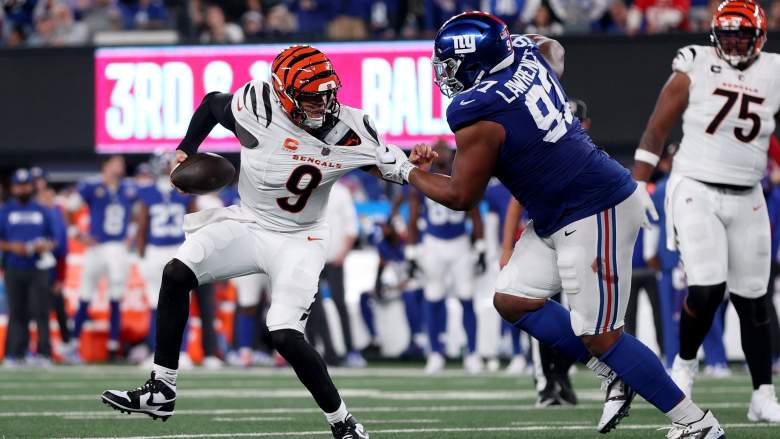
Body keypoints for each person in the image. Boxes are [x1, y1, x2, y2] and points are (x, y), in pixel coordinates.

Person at [374, 11, 723, 437]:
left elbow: (461, 197)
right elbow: (553, 49)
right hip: (560, 211)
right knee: (513, 299)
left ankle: (696, 423)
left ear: (476, 62)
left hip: (594, 207)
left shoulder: (476, 109)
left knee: (603, 336)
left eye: (450, 65)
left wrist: (403, 170)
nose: (444, 75)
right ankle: (613, 371)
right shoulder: (525, 52)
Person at [100, 44, 399, 439]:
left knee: (284, 334)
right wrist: (185, 149)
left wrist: (415, 166)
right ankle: (161, 388)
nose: (323, 104)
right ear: (284, 94)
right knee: (176, 274)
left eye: (326, 94)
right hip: (251, 222)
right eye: (311, 96)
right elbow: (211, 104)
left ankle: (342, 422)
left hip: (300, 237)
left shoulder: (350, 127)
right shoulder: (256, 107)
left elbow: (393, 167)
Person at [633, 0, 780, 423]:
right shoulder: (695, 62)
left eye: (742, 36)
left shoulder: (773, 71)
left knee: (754, 299)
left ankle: (762, 395)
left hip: (749, 192)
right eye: (727, 36)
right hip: (695, 186)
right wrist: (639, 184)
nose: (733, 44)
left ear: (759, 37)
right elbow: (657, 127)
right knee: (707, 287)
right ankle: (684, 367)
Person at [406, 139, 485, 374]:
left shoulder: (463, 178)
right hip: (434, 243)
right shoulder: (422, 179)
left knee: (466, 296)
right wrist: (411, 252)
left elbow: (475, 215)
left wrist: (480, 247)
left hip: (459, 243)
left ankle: (472, 353)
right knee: (434, 297)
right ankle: (435, 353)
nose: (441, 156)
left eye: (444, 151)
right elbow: (413, 217)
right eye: (438, 151)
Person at [71, 155, 138, 362]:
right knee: (85, 294)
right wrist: (76, 234)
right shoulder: (91, 186)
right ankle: (72, 345)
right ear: (106, 166)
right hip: (96, 247)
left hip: (117, 247)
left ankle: (112, 347)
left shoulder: (129, 188)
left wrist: (132, 232)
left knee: (116, 297)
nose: (121, 166)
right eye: (116, 163)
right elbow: (69, 207)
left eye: (122, 163)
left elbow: (138, 212)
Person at [136, 151, 198, 369]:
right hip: (170, 251)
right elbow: (195, 223)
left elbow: (142, 225)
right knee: (169, 304)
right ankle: (171, 353)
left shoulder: (150, 191)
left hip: (167, 250)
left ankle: (172, 353)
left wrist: (140, 253)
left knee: (163, 304)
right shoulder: (183, 189)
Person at [0, 169, 58, 366]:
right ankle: (15, 353)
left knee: (41, 311)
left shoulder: (42, 210)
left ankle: (44, 353)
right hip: (14, 266)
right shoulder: (5, 210)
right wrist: (12, 247)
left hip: (37, 266)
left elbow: (54, 239)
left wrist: (44, 245)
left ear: (31, 187)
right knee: (17, 312)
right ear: (13, 187)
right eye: (19, 185)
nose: (23, 189)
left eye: (26, 185)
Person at [322, 179, 364, 367]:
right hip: (312, 258)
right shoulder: (310, 188)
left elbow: (351, 227)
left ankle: (350, 350)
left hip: (334, 258)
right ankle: (326, 351)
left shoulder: (341, 192)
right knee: (312, 309)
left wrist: (343, 253)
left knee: (340, 303)